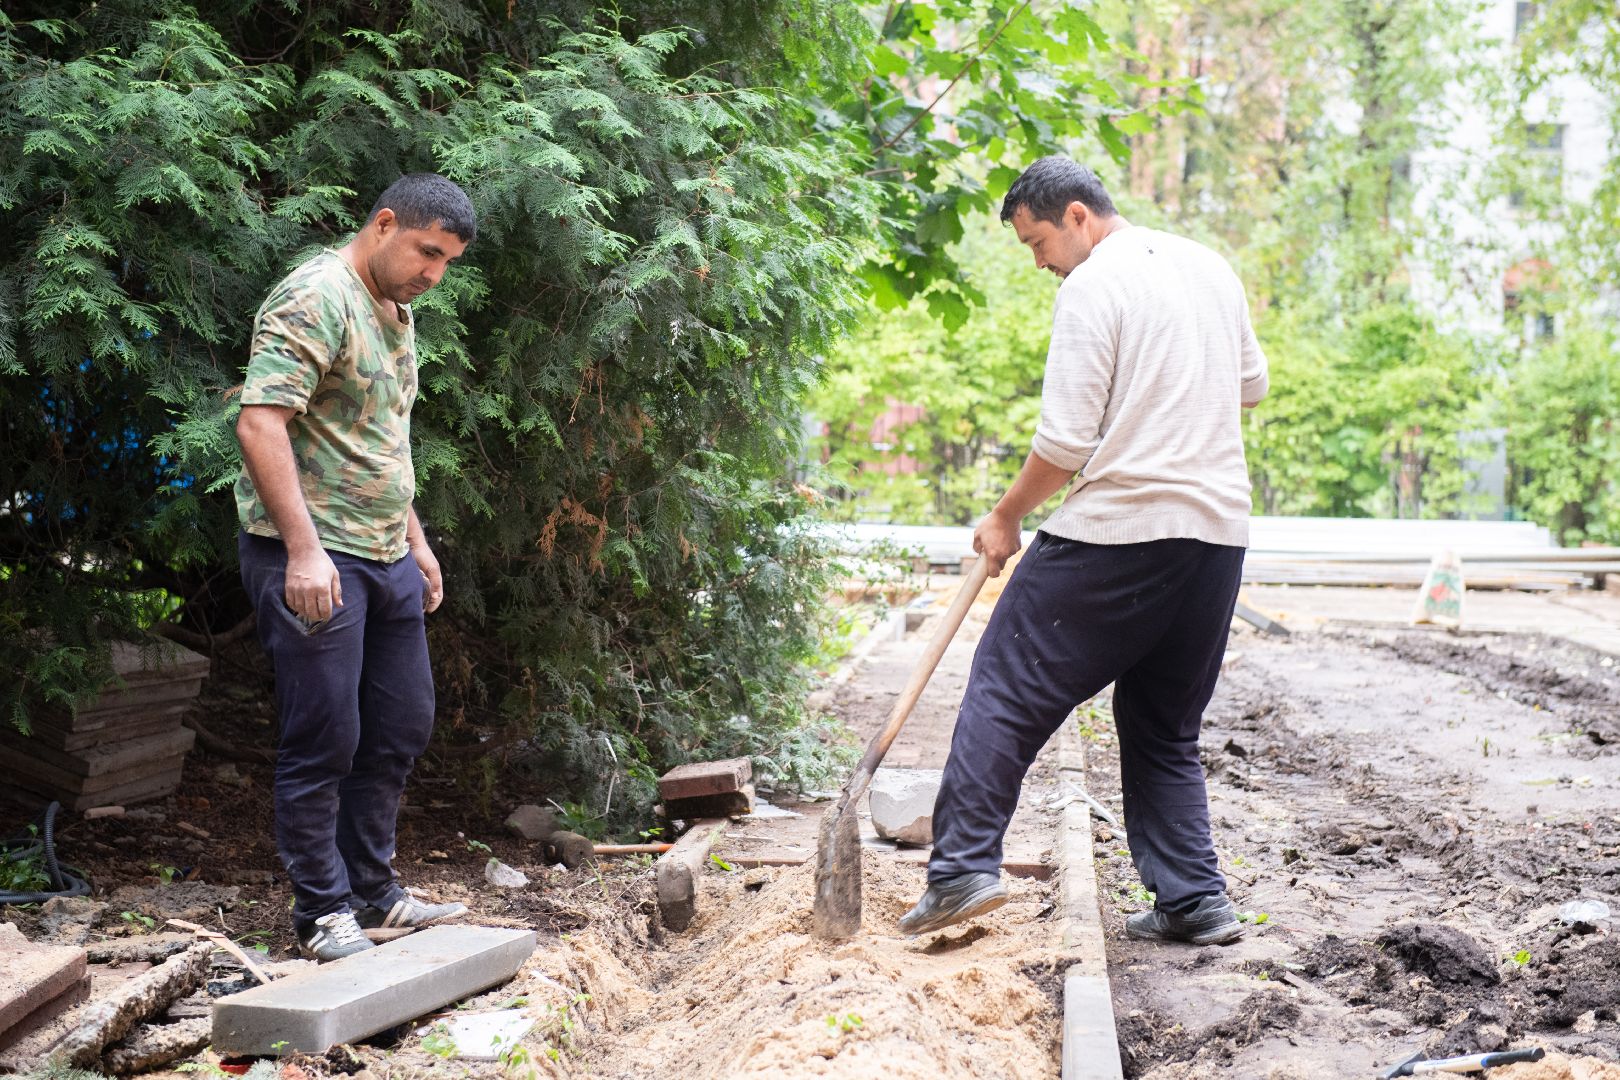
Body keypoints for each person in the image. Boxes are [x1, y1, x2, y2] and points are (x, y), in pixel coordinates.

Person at [899, 157, 1268, 945]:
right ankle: (1193, 901)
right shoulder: (1208, 267)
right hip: (1216, 536)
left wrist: (1005, 516)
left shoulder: (1094, 284)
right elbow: (1251, 386)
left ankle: (960, 869)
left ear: (1077, 215)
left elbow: (1065, 444)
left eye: (1037, 243)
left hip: (1122, 528)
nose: (1039, 263)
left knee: (1006, 683)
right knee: (1163, 723)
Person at [235, 174, 476, 961]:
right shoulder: (317, 296)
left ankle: (374, 893)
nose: (433, 273)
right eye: (426, 252)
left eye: (447, 263)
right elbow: (261, 424)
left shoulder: (396, 309)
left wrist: (416, 540)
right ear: (383, 224)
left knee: (400, 725)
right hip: (315, 554)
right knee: (324, 739)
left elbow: (379, 439)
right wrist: (303, 550)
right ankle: (321, 913)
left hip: (384, 552)